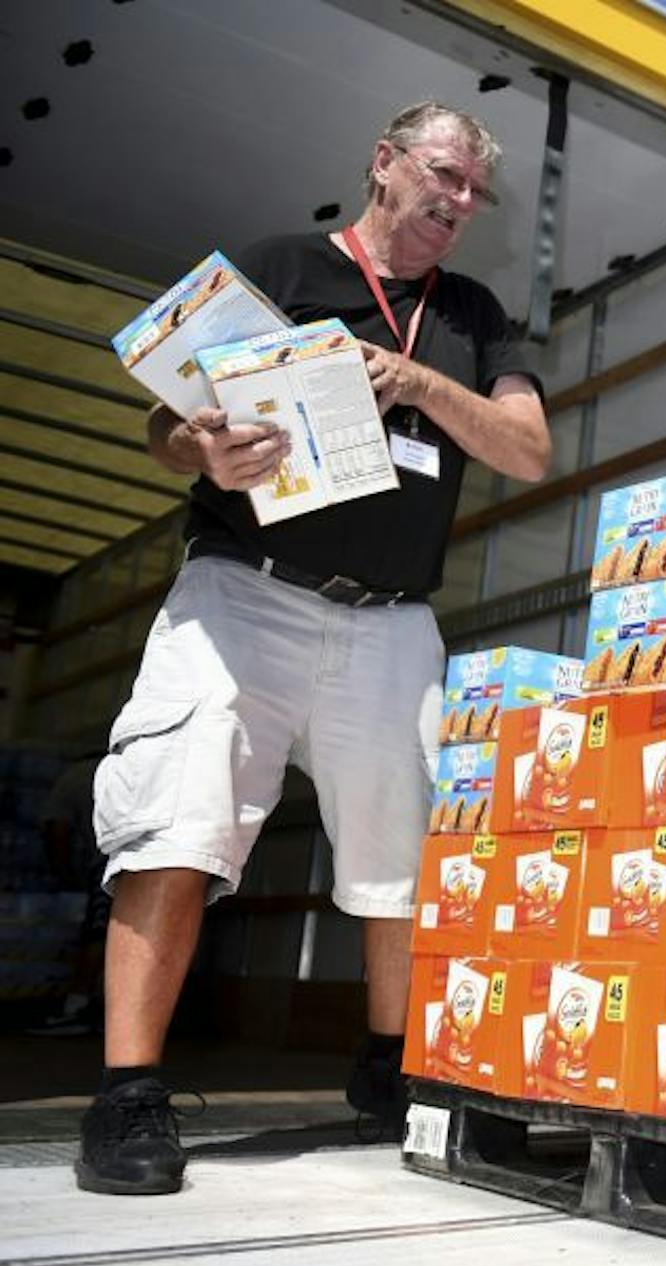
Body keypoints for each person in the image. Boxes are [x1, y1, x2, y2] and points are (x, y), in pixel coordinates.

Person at [81, 102, 550, 1195]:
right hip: (246, 593)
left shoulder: (476, 315)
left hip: (392, 618)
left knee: (406, 858)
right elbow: (167, 423)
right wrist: (196, 447)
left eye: (476, 191)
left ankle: (392, 1071)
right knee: (178, 818)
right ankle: (128, 1098)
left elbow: (527, 448)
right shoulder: (274, 268)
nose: (459, 201)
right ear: (383, 165)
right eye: (443, 174)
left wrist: (424, 381)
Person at [27, 750, 107, 1037]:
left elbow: (56, 830)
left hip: (112, 864)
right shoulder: (124, 768)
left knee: (97, 934)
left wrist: (64, 875)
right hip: (153, 863)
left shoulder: (72, 778)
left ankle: (77, 1008)